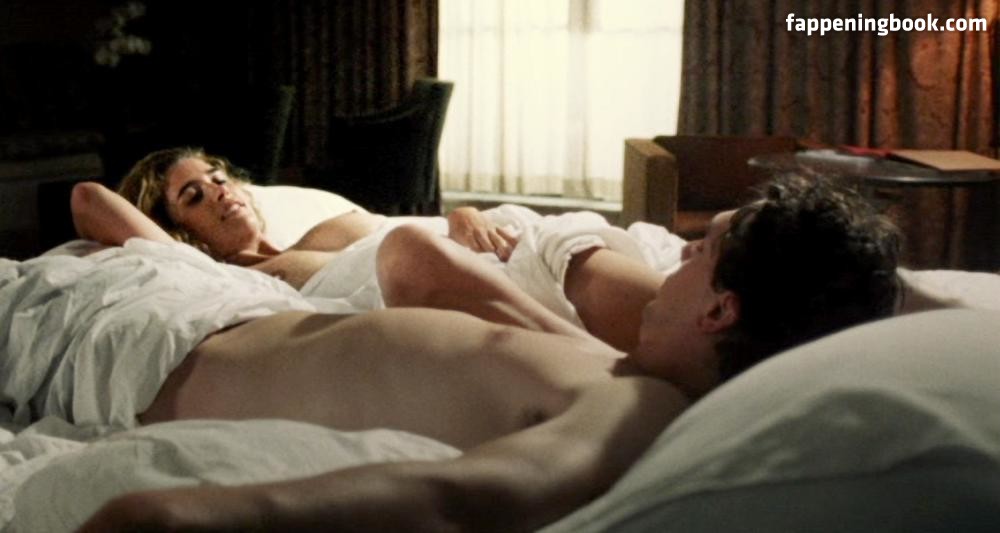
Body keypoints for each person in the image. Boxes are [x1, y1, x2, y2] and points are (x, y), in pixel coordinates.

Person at [71, 174, 903, 531]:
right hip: (199, 320)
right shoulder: (632, 376)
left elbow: (462, 499)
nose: (675, 257)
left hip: (155, 348)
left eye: (698, 253)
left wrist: (196, 515)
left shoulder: (642, 407)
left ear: (721, 309)